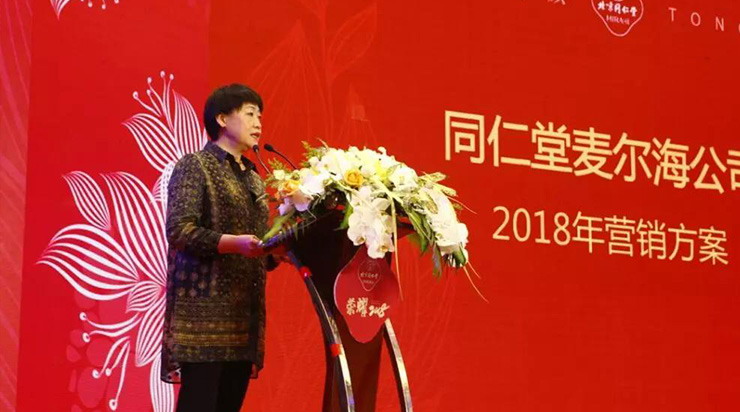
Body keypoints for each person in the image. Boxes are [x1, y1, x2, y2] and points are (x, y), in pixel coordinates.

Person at [160, 83, 277, 412]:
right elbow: (180, 230)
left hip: (244, 317)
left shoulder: (253, 177)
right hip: (203, 318)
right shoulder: (194, 165)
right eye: (250, 114)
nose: (258, 123)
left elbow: (260, 245)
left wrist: (278, 248)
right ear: (222, 119)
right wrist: (234, 244)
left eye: (260, 116)